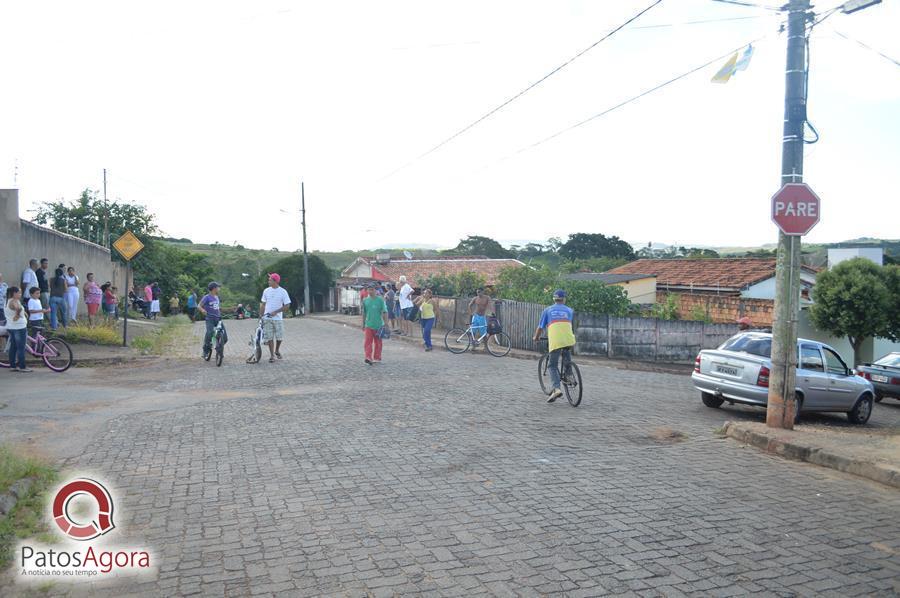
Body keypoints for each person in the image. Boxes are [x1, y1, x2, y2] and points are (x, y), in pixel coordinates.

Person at [533, 289, 578, 403]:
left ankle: (556, 389)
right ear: (564, 299)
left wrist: (536, 337)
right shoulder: (570, 310)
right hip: (568, 339)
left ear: (554, 299)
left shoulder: (547, 310)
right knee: (567, 359)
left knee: (552, 366)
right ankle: (569, 376)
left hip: (556, 341)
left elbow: (540, 327)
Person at [260, 273, 291, 363]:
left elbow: (287, 305)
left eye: (270, 280)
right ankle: (272, 355)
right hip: (267, 318)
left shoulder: (283, 292)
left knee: (279, 337)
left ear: (275, 281)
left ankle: (277, 350)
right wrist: (261, 315)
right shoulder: (266, 291)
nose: (268, 281)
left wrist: (276, 312)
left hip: (278, 318)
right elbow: (263, 304)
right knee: (269, 337)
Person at [362, 283, 389, 365]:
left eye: (372, 289)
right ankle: (368, 357)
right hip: (368, 325)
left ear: (376, 290)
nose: (370, 291)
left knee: (378, 342)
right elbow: (364, 313)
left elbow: (385, 312)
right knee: (367, 342)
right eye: (369, 289)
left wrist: (386, 324)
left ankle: (377, 357)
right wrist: (363, 323)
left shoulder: (380, 300)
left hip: (378, 325)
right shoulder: (365, 300)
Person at [5, 287, 30, 373]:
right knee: (21, 347)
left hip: (12, 327)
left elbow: (19, 309)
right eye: (19, 293)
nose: (20, 294)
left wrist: (24, 314)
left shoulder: (8, 301)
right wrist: (18, 315)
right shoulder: (13, 301)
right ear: (14, 293)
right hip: (19, 327)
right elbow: (18, 309)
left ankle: (13, 366)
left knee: (13, 347)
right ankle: (22, 366)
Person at [198, 282, 222, 359]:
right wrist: (202, 310)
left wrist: (230, 310)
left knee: (224, 336)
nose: (219, 289)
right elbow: (199, 306)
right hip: (210, 318)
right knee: (210, 332)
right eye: (218, 287)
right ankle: (205, 350)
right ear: (214, 288)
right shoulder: (207, 297)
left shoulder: (217, 297)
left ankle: (220, 349)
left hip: (217, 318)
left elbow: (217, 308)